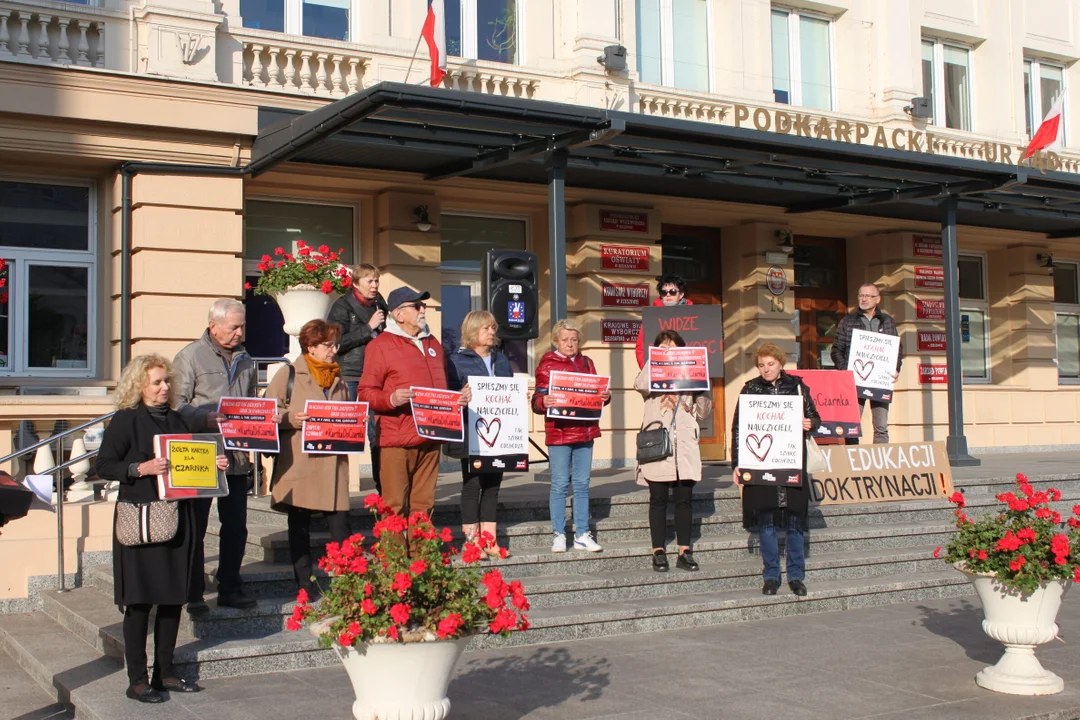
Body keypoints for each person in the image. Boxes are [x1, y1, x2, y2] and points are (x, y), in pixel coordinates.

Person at [96, 354, 229, 703]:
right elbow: (104, 465)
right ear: (139, 385)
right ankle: (137, 679)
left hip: (178, 520)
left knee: (172, 600)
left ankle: (165, 672)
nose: (164, 387)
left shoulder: (178, 419)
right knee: (139, 603)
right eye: (156, 382)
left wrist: (214, 464)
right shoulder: (126, 421)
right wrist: (141, 468)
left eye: (166, 381)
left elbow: (191, 461)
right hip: (141, 522)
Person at [173, 298, 264, 613]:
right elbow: (175, 404)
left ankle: (230, 587)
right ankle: (193, 592)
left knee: (236, 526)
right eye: (233, 327)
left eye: (242, 326)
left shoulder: (247, 359)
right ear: (213, 325)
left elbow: (251, 401)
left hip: (236, 456)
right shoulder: (189, 357)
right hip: (201, 454)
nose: (239, 333)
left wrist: (264, 421)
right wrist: (203, 418)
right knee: (196, 527)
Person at [358, 287, 469, 525]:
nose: (422, 310)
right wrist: (391, 399)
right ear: (398, 314)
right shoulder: (381, 346)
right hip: (397, 437)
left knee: (424, 503)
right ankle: (395, 561)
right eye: (416, 306)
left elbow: (442, 388)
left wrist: (456, 399)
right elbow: (365, 393)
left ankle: (421, 559)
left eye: (423, 305)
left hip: (431, 436)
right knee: (394, 504)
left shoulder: (433, 343)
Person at [265, 319, 352, 596]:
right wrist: (292, 418)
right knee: (299, 526)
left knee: (340, 525)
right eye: (327, 345)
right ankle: (304, 583)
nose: (333, 350)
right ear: (310, 346)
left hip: (333, 464)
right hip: (299, 463)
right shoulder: (288, 374)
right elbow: (268, 412)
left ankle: (346, 582)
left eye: (335, 345)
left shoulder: (339, 378)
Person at [731, 343, 821, 597]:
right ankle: (771, 575)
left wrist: (809, 422)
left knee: (794, 522)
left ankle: (795, 575)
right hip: (760, 464)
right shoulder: (750, 388)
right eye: (761, 365)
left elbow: (816, 418)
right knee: (766, 522)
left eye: (771, 364)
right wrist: (736, 463)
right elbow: (738, 429)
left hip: (791, 461)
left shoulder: (798, 386)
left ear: (781, 363)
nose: (766, 369)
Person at [635, 330, 712, 572]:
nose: (669, 351)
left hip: (685, 447)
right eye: (664, 347)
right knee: (657, 499)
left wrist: (700, 390)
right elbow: (639, 384)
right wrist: (656, 359)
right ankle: (658, 550)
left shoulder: (691, 377)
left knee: (684, 501)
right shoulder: (651, 375)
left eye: (674, 348)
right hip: (658, 445)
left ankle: (684, 550)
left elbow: (704, 413)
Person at [532, 318, 610, 553]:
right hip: (560, 432)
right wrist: (543, 401)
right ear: (556, 340)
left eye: (574, 340)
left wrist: (605, 397)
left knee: (582, 484)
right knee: (559, 484)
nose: (570, 344)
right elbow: (537, 400)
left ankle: (582, 534)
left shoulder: (587, 362)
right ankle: (558, 533)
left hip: (585, 431)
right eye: (565, 340)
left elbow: (597, 394)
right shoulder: (547, 364)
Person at [446, 310, 514, 559]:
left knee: (493, 485)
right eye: (486, 328)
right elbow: (449, 394)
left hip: (500, 431)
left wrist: (518, 397)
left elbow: (508, 390)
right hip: (472, 430)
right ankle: (472, 542)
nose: (491, 332)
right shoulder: (456, 360)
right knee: (473, 484)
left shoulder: (502, 359)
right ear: (473, 330)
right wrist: (459, 395)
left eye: (493, 328)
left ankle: (490, 540)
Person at [328, 263, 387, 493]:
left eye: (376, 281)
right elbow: (337, 344)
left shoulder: (380, 303)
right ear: (355, 283)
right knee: (345, 433)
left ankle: (383, 489)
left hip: (376, 377)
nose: (374, 286)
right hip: (351, 376)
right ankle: (336, 490)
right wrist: (368, 328)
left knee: (378, 435)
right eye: (369, 281)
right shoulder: (342, 307)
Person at [830, 283, 903, 444]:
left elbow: (897, 349)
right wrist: (847, 371)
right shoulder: (848, 321)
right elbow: (836, 351)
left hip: (880, 381)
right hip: (854, 382)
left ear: (877, 299)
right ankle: (853, 463)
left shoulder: (887, 322)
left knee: (881, 427)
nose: (863, 299)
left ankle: (881, 465)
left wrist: (896, 368)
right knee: (852, 426)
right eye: (860, 295)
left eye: (867, 296)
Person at [635, 273, 694, 369]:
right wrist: (648, 369)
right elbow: (641, 347)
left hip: (686, 370)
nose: (668, 295)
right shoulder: (652, 317)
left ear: (681, 294)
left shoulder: (695, 316)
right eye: (664, 292)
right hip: (660, 370)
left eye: (673, 291)